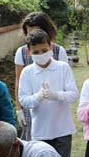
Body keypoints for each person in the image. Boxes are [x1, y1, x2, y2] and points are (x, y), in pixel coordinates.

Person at [18, 30, 78, 157]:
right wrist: (38, 96)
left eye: (44, 50)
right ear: (28, 52)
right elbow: (24, 100)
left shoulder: (63, 67)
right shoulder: (27, 72)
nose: (41, 55)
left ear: (51, 47)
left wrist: (55, 95)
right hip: (40, 131)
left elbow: (74, 94)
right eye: (36, 52)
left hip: (63, 129)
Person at [14, 12, 68, 140]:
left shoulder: (58, 51)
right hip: (31, 103)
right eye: (29, 33)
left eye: (37, 31)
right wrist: (19, 108)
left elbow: (65, 82)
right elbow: (18, 81)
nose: (33, 36)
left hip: (54, 106)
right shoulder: (22, 52)